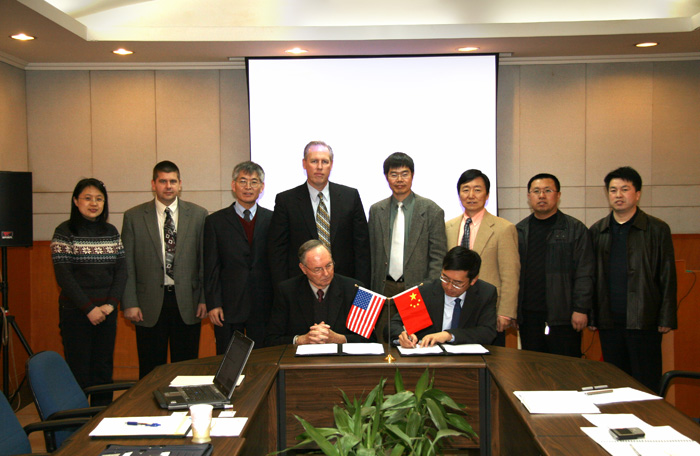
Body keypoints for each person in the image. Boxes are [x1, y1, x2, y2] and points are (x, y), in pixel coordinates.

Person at [589, 166, 677, 391]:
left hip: (644, 320)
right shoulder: (597, 230)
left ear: (637, 194)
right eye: (613, 190)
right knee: (614, 383)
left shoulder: (657, 229)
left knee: (645, 383)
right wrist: (593, 316)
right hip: (609, 321)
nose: (618, 195)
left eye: (625, 189)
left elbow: (667, 274)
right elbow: (591, 278)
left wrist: (666, 316)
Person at [121, 161, 209, 378]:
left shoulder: (198, 215)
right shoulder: (133, 216)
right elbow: (127, 264)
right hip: (148, 303)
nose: (168, 186)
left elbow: (205, 261)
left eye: (172, 181)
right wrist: (130, 302)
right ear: (153, 184)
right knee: (150, 369)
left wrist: (204, 299)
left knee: (186, 368)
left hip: (188, 302)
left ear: (180, 184)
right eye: (163, 181)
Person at [50, 178, 126, 405]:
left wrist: (110, 305)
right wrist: (89, 309)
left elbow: (121, 271)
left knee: (103, 370)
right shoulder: (64, 232)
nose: (94, 203)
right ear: (76, 201)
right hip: (76, 313)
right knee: (78, 372)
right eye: (88, 198)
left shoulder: (111, 231)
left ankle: (101, 417)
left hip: (107, 312)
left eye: (99, 199)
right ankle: (78, 422)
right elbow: (64, 277)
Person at [267, 141, 370, 287]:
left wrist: (362, 292)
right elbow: (277, 251)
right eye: (314, 161)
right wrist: (282, 290)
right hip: (301, 287)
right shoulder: (286, 201)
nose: (319, 167)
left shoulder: (350, 197)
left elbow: (362, 250)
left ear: (331, 165)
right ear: (304, 163)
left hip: (344, 285)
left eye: (325, 162)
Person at [368, 152, 446, 341]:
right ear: (386, 177)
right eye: (394, 174)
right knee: (383, 340)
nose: (399, 179)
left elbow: (438, 256)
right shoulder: (376, 210)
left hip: (416, 290)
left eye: (405, 174)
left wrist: (428, 288)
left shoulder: (431, 210)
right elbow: (370, 252)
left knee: (412, 340)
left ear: (412, 175)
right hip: (383, 288)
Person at [515, 173, 594, 357]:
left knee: (565, 369)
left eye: (548, 191)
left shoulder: (575, 229)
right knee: (532, 368)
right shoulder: (520, 230)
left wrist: (581, 309)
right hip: (529, 317)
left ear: (558, 195)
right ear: (529, 196)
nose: (541, 196)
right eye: (536, 191)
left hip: (564, 317)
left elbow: (585, 272)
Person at [204, 161, 273, 352]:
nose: (248, 187)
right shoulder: (215, 222)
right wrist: (214, 304)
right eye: (243, 181)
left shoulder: (273, 219)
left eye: (254, 182)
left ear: (262, 187)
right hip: (228, 306)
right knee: (229, 361)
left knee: (263, 360)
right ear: (233, 185)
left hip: (263, 305)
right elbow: (211, 267)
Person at [445, 169, 519, 346]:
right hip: (454, 307)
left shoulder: (504, 228)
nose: (471, 195)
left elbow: (510, 274)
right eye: (465, 189)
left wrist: (505, 312)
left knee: (490, 357)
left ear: (487, 195)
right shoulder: (448, 227)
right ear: (459, 194)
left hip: (488, 309)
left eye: (477, 190)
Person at [265, 240, 375, 346]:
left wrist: (340, 339)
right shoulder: (286, 291)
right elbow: (271, 339)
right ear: (303, 269)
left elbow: (371, 338)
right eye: (318, 269)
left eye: (329, 265)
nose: (326, 273)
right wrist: (301, 340)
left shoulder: (358, 289)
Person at [390, 246, 497, 347]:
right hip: (428, 356)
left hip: (468, 358)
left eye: (457, 283)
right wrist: (402, 336)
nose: (449, 286)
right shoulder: (425, 291)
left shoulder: (485, 293)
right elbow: (393, 325)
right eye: (445, 278)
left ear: (473, 280)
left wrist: (449, 335)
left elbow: (487, 332)